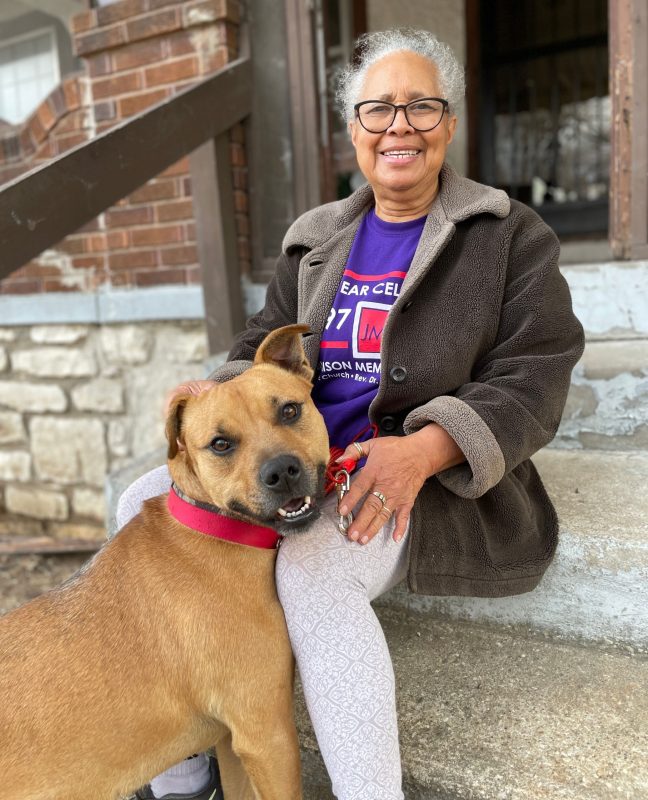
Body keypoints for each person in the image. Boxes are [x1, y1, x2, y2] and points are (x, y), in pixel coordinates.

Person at [119, 28, 584, 800]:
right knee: (139, 508)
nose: (399, 126)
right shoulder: (315, 237)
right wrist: (211, 392)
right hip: (292, 457)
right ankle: (181, 769)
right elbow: (251, 348)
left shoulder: (508, 236)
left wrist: (427, 449)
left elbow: (535, 373)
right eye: (378, 110)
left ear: (449, 123)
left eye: (420, 106)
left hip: (423, 476)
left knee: (314, 571)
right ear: (354, 129)